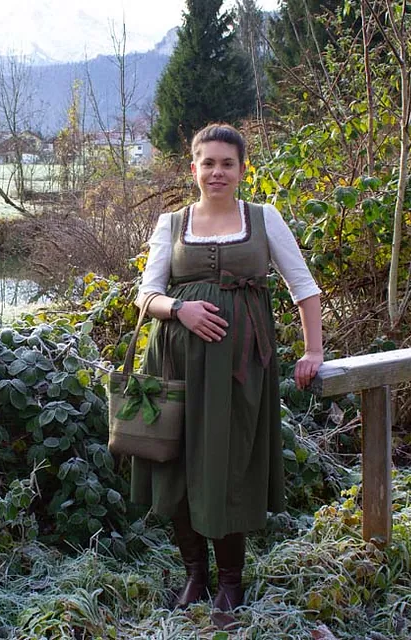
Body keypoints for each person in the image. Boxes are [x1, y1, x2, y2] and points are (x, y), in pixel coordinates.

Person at [131, 123, 323, 612]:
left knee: (230, 465)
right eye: (208, 163)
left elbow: (303, 287)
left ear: (242, 169)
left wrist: (313, 351)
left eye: (227, 163)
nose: (217, 172)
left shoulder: (263, 219)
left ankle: (231, 583)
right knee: (177, 464)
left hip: (240, 369)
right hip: (175, 363)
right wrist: (180, 310)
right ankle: (195, 575)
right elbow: (146, 295)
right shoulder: (171, 224)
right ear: (193, 168)